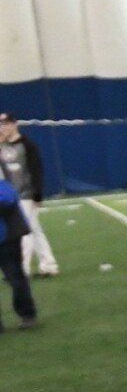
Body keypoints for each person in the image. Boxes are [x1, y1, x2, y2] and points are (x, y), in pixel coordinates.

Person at [0, 113, 57, 277]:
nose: (3, 127)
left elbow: (36, 170)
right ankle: (49, 265)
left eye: (6, 124)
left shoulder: (27, 145)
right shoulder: (3, 146)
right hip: (11, 196)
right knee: (34, 230)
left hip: (27, 194)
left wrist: (37, 194)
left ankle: (21, 270)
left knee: (23, 232)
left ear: (14, 124)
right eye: (1, 124)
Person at [0, 177, 38, 331]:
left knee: (16, 278)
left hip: (7, 239)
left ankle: (27, 314)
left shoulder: (3, 185)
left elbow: (7, 201)